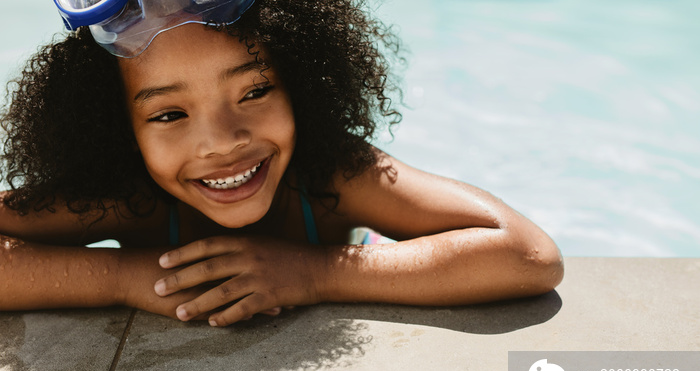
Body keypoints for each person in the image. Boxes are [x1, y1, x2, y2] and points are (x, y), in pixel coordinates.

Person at [0, 0, 563, 327]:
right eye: (170, 115)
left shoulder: (331, 176)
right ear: (118, 131)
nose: (221, 143)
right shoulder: (129, 199)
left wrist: (315, 274)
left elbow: (527, 255)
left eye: (254, 92)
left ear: (301, 85)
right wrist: (125, 278)